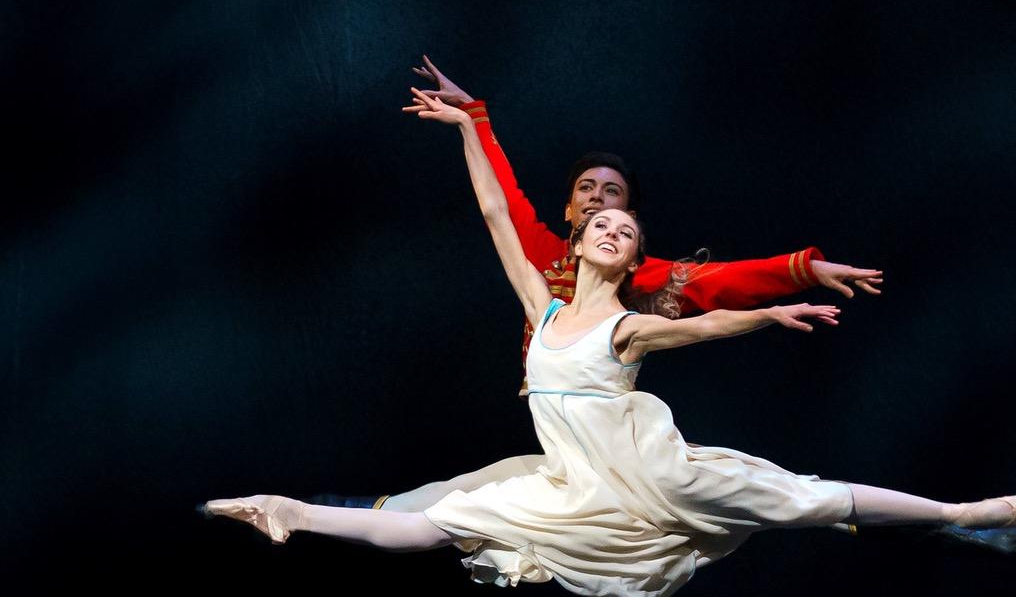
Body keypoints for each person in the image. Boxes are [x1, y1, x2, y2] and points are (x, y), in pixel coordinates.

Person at [201, 95, 1016, 597]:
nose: (608, 219)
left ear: (632, 246)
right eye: (597, 213)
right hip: (576, 481)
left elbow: (710, 314)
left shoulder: (629, 320)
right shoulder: (544, 296)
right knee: (442, 517)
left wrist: (783, 297)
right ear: (577, 227)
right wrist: (471, 124)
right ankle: (293, 509)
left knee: (805, 501)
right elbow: (499, 216)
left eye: (624, 218)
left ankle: (959, 515)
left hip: (658, 472)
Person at [309, 54, 885, 514]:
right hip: (556, 419)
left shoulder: (638, 273)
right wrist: (473, 117)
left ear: (631, 229)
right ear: (569, 212)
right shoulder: (542, 255)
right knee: (481, 493)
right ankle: (375, 511)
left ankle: (887, 514)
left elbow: (720, 286)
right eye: (587, 190)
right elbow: (498, 201)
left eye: (613, 196)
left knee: (734, 495)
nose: (598, 201)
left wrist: (803, 270)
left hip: (607, 433)